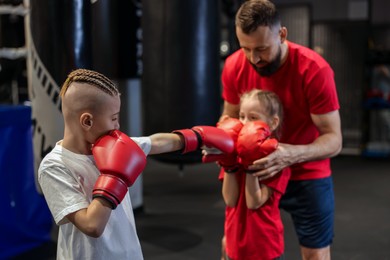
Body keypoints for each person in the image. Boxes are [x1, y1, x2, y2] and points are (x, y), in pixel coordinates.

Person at [38, 68, 234, 260]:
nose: (118, 126)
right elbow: (92, 225)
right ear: (87, 122)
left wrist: (197, 137)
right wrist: (114, 177)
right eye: (113, 118)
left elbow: (155, 142)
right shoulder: (55, 166)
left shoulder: (112, 146)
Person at [220, 0, 342, 259]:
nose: (254, 59)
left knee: (315, 254)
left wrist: (289, 154)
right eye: (246, 49)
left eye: (262, 49)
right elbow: (228, 119)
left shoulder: (314, 70)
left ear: (282, 34)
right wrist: (220, 145)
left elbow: (334, 140)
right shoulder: (234, 65)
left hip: (305, 172)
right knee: (233, 245)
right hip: (255, 170)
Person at [213, 89, 291, 260]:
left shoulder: (276, 163)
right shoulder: (234, 156)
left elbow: (254, 202)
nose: (245, 123)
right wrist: (229, 164)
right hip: (234, 243)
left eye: (253, 118)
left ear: (273, 123)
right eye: (242, 116)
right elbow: (230, 199)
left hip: (264, 247)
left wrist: (250, 164)